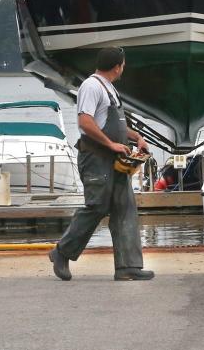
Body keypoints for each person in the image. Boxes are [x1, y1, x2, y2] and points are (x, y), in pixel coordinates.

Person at [49, 46, 154, 281]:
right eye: (123, 64)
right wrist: (111, 144)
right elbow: (85, 122)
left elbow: (111, 122)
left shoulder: (109, 89)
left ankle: (128, 267)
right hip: (96, 159)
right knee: (97, 206)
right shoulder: (91, 86)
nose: (123, 68)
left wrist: (136, 138)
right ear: (118, 67)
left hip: (113, 161)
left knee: (125, 208)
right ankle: (61, 252)